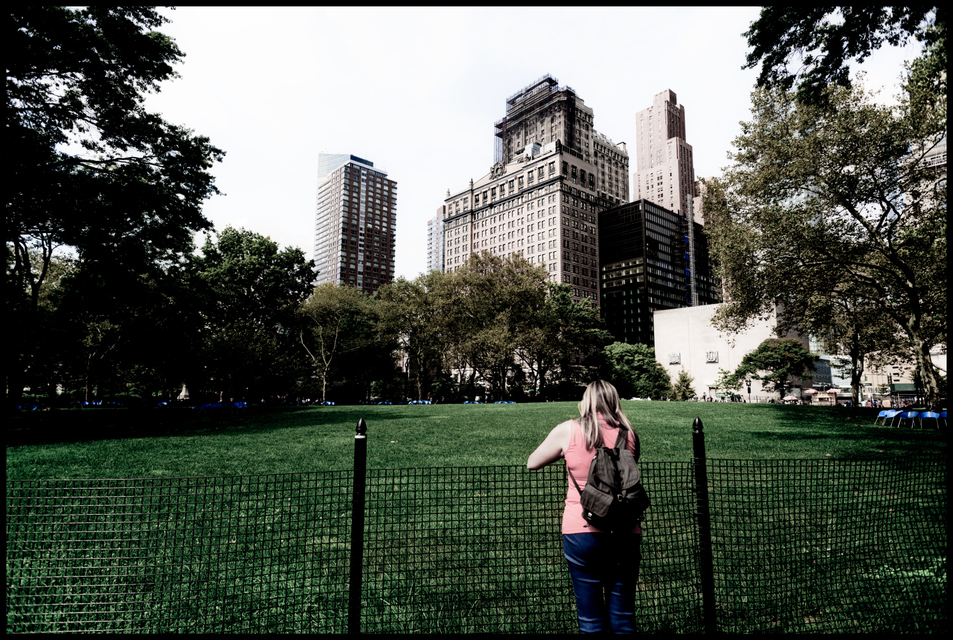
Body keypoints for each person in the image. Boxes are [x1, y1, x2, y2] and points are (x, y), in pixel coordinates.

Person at [527, 380, 642, 633]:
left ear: (586, 401)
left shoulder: (568, 430)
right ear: (614, 401)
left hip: (582, 529)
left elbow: (532, 463)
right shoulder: (629, 434)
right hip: (626, 529)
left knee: (590, 619)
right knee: (623, 617)